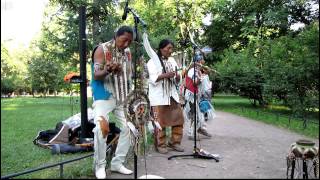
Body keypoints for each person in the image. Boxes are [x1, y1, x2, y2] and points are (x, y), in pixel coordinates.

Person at [91, 26, 134, 179]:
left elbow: (128, 75)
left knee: (130, 128)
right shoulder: (102, 49)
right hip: (104, 96)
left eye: (130, 41)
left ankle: (117, 163)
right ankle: (100, 165)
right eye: (124, 40)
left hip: (122, 96)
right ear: (116, 36)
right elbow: (96, 75)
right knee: (101, 128)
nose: (127, 44)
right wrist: (108, 70)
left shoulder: (128, 52)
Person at [147, 39, 185, 154]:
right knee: (160, 121)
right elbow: (152, 79)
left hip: (172, 95)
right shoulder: (152, 61)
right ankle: (160, 144)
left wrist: (178, 77)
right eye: (168, 48)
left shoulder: (172, 60)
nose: (170, 51)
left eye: (171, 48)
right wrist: (165, 75)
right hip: (159, 96)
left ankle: (175, 142)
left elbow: (177, 77)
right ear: (161, 48)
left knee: (179, 119)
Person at [184, 50, 212, 141]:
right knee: (195, 114)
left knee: (199, 113)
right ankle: (191, 133)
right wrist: (202, 79)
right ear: (198, 61)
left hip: (195, 94)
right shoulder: (192, 70)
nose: (203, 62)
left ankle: (199, 129)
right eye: (201, 60)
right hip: (191, 95)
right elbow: (195, 82)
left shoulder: (197, 70)